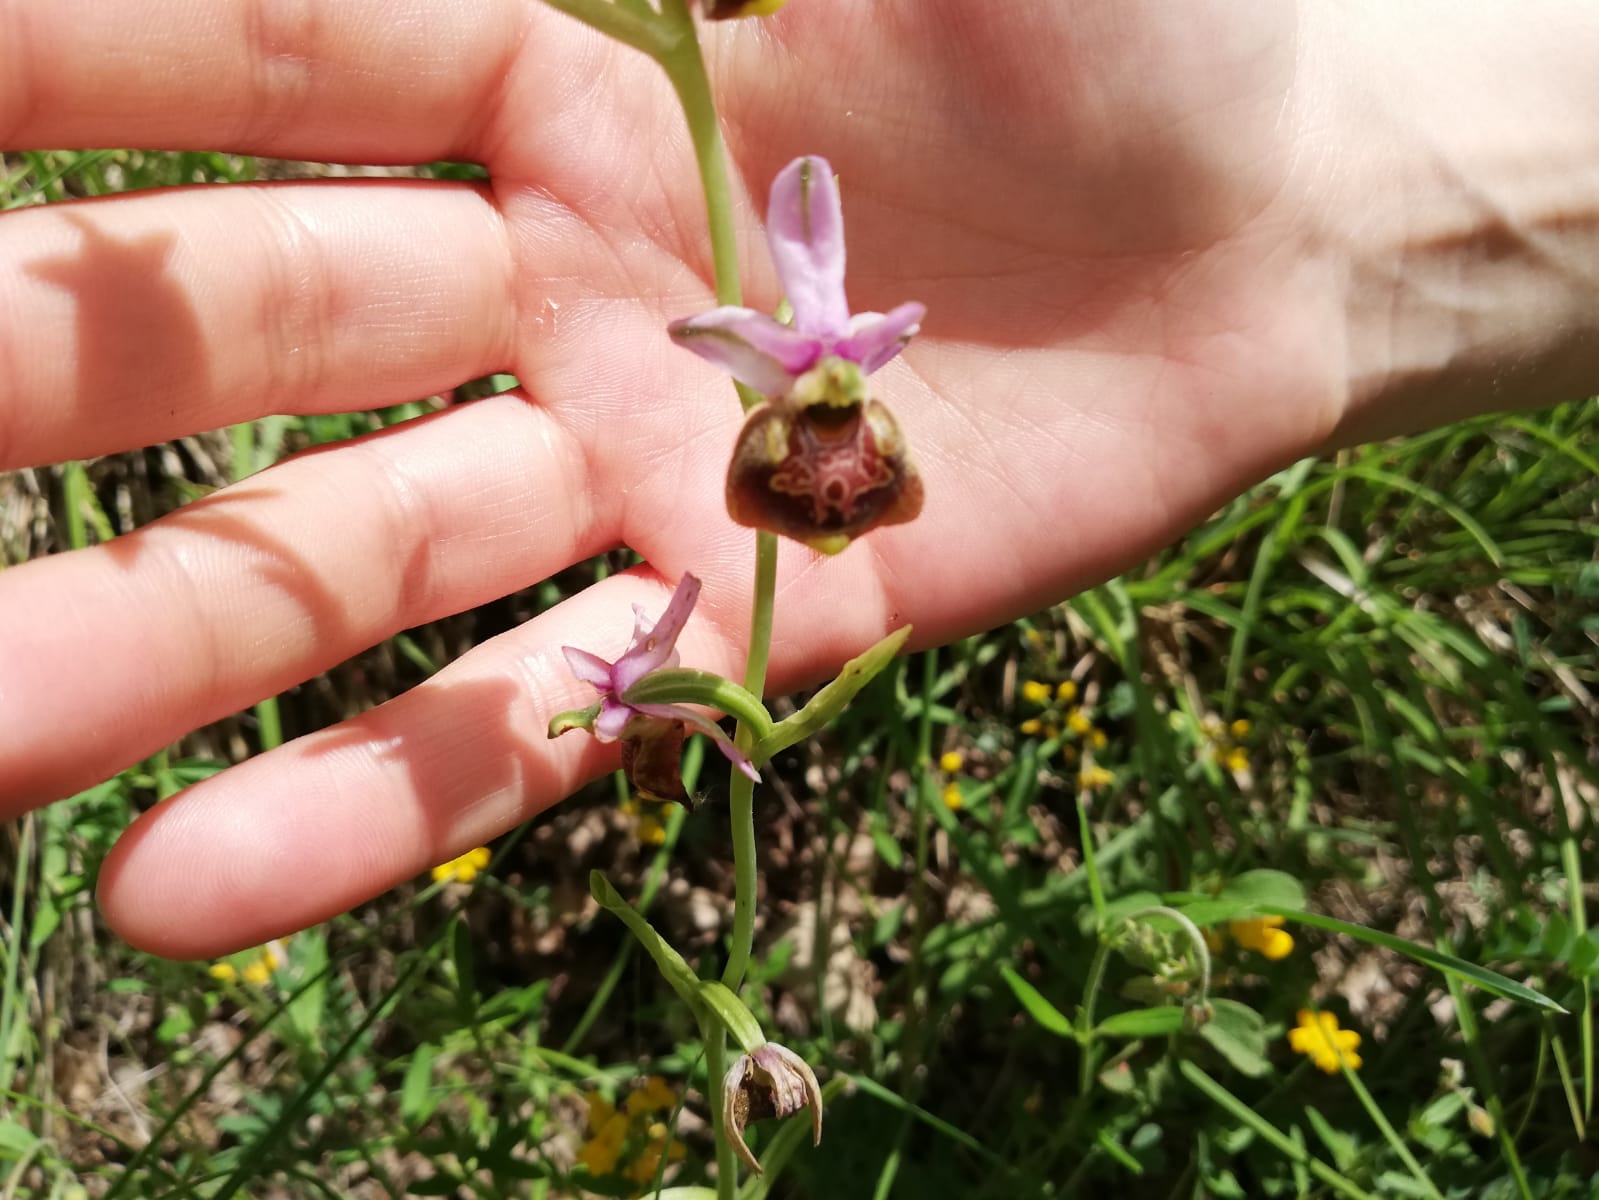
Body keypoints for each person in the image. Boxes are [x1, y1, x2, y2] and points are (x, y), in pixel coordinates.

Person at [1, 2, 1594, 958]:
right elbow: (731, 332)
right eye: (826, 402)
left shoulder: (832, 375)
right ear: (800, 389)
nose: (837, 414)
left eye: (842, 399)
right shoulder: (774, 366)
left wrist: (1305, 194)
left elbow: (807, 336)